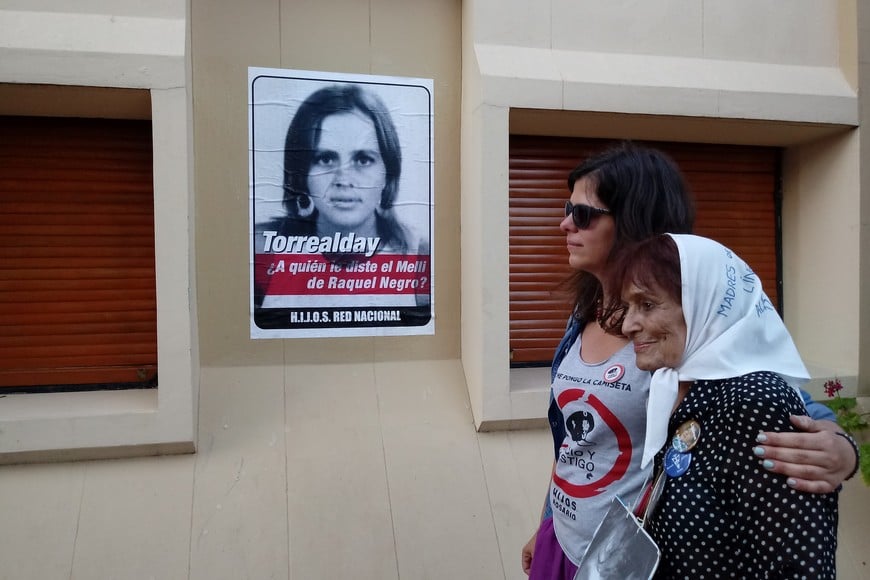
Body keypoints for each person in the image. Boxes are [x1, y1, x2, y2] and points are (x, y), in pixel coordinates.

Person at [521, 142, 857, 579]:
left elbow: (780, 404)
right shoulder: (583, 314)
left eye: (582, 213)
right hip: (562, 538)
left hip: (624, 556)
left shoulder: (682, 330)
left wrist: (842, 448)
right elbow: (574, 440)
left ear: (631, 218)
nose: (565, 223)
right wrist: (546, 522)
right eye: (569, 210)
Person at [615, 233, 838, 578]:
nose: (627, 325)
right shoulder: (680, 387)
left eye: (646, 304)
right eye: (627, 307)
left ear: (703, 304)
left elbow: (796, 565)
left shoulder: (755, 402)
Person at [254, 83, 427, 307]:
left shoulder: (420, 253)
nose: (343, 180)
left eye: (363, 160)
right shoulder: (263, 251)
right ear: (301, 174)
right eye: (325, 159)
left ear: (388, 173)